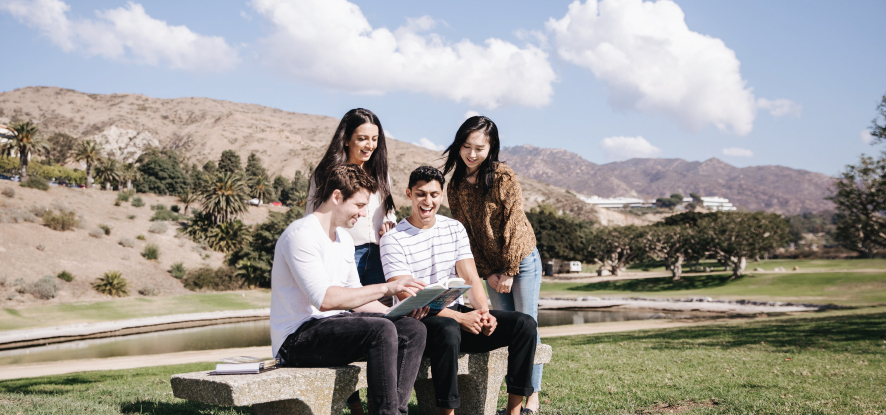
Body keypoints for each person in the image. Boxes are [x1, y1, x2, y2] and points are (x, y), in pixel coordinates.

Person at [270, 164, 428, 415]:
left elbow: (357, 298)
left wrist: (401, 311)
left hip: (333, 325)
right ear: (336, 197)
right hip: (296, 339)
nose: (364, 214)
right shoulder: (300, 235)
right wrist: (387, 288)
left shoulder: (342, 239)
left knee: (412, 329)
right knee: (381, 329)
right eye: (359, 205)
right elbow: (324, 299)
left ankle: (394, 411)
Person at [380, 166, 538, 415]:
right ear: (409, 194)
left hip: (456, 313)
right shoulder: (393, 239)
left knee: (524, 324)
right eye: (421, 194)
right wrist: (460, 318)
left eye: (434, 194)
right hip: (420, 322)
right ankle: (448, 412)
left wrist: (484, 314)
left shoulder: (454, 229)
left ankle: (513, 411)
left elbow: (471, 278)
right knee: (449, 328)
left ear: (441, 196)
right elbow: (405, 298)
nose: (427, 201)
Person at [442, 115, 544, 414]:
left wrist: (510, 270)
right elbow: (466, 234)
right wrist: (488, 273)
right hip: (491, 267)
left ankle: (532, 398)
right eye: (466, 146)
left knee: (527, 325)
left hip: (521, 260)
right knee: (501, 329)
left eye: (479, 148)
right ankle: (510, 398)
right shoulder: (456, 184)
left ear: (491, 148)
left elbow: (513, 222)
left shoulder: (503, 176)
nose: (472, 154)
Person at [305, 108, 398, 414]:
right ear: (346, 139)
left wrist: (391, 226)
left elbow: (387, 211)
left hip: (378, 255)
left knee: (384, 326)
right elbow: (314, 220)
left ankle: (383, 400)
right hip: (347, 255)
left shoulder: (379, 172)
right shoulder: (328, 173)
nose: (369, 145)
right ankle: (354, 404)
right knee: (345, 324)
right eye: (362, 138)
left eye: (374, 139)